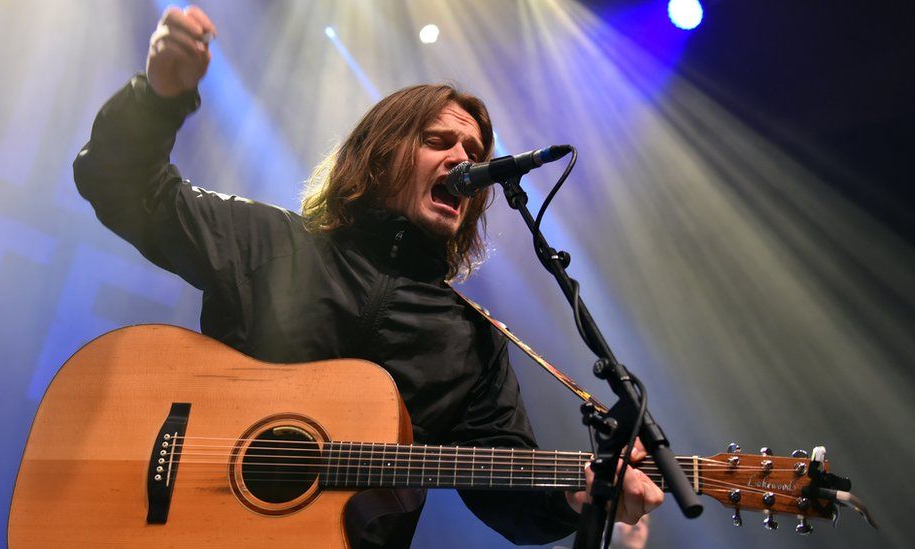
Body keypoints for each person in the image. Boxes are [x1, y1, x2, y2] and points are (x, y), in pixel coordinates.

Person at [73, 5, 663, 547]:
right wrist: (160, 97)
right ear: (380, 155)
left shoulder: (471, 341)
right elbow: (125, 189)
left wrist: (577, 495)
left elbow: (508, 496)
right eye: (439, 141)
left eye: (475, 151)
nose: (464, 161)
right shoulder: (269, 242)